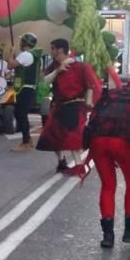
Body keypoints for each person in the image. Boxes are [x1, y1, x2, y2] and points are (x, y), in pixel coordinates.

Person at [84, 74, 130, 247]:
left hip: (98, 140)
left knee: (108, 186)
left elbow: (94, 115)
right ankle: (129, 232)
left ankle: (108, 236)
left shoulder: (111, 94)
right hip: (125, 142)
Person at [36, 39, 100, 172]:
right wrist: (57, 71)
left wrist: (88, 101)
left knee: (73, 136)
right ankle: (61, 160)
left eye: (52, 48)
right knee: (51, 135)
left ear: (60, 50)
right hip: (58, 105)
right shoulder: (53, 66)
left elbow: (90, 85)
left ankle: (78, 164)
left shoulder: (80, 66)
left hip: (75, 105)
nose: (51, 51)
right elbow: (43, 82)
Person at [8, 33, 40, 152]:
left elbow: (10, 65)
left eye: (21, 41)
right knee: (20, 114)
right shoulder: (31, 55)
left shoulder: (26, 55)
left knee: (20, 114)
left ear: (25, 43)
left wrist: (11, 52)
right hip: (26, 88)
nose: (20, 43)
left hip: (25, 88)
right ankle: (27, 140)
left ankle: (26, 142)